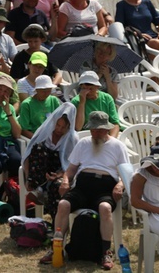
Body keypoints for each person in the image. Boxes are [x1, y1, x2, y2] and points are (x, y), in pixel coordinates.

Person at [45, 111, 129, 269]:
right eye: (93, 130)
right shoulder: (83, 143)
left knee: (105, 207)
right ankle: (56, 248)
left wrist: (120, 184)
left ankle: (105, 252)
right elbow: (71, 169)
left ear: (107, 129)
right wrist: (65, 180)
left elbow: (126, 172)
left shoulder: (118, 146)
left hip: (105, 187)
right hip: (83, 185)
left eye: (99, 130)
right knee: (63, 204)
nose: (95, 133)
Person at [23, 104, 77, 227]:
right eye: (58, 125)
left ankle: (56, 225)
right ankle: (39, 188)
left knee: (56, 187)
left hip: (60, 172)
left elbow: (74, 163)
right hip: (41, 170)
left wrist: (60, 174)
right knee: (39, 148)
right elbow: (27, 156)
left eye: (63, 127)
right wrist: (27, 178)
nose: (59, 129)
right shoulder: (44, 132)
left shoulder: (72, 139)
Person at [71, 71, 120, 136]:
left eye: (90, 89)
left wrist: (111, 141)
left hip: (106, 134)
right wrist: (82, 103)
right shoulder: (76, 101)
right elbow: (78, 127)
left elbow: (115, 123)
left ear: (97, 87)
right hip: (86, 135)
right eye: (84, 88)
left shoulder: (107, 98)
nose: (87, 92)